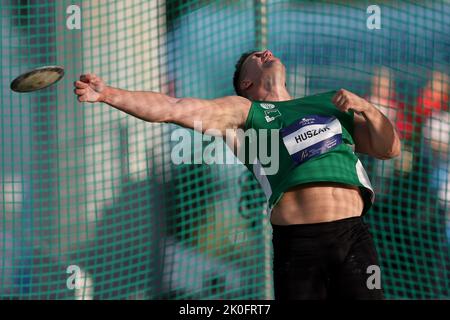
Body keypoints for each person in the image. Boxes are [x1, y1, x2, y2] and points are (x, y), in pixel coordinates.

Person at [74, 49, 401, 300]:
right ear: (247, 84)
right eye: (255, 59)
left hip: (353, 237)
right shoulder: (246, 114)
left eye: (266, 52)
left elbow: (390, 148)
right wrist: (107, 94)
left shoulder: (328, 104)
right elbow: (173, 107)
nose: (264, 53)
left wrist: (369, 108)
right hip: (301, 245)